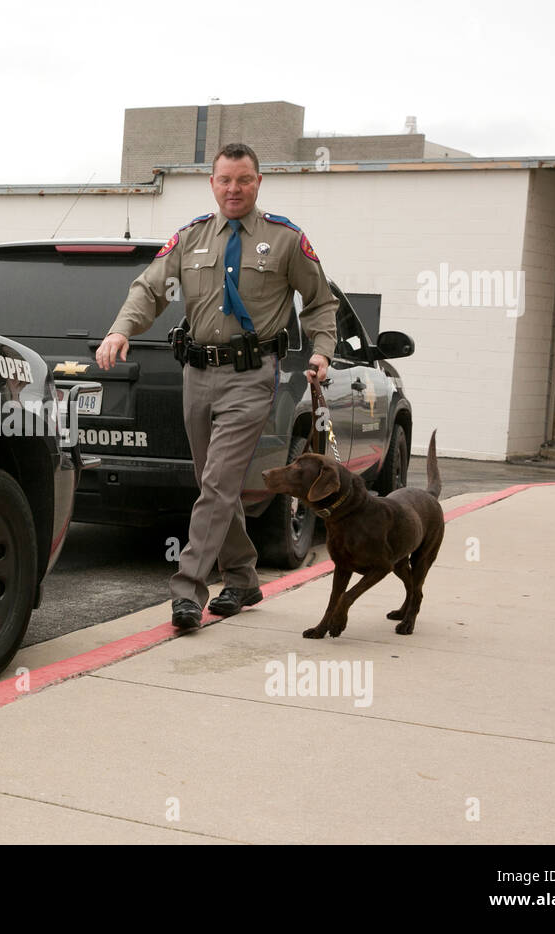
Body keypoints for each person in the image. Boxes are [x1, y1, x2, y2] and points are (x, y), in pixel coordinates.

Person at [95, 142, 339, 629]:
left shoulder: (286, 239)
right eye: (225, 180)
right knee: (215, 483)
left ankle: (187, 590)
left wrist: (321, 349)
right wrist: (122, 328)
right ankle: (245, 579)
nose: (234, 188)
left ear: (258, 182)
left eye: (243, 179)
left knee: (217, 482)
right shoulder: (191, 238)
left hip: (251, 377)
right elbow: (150, 288)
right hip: (197, 374)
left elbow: (319, 300)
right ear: (212, 183)